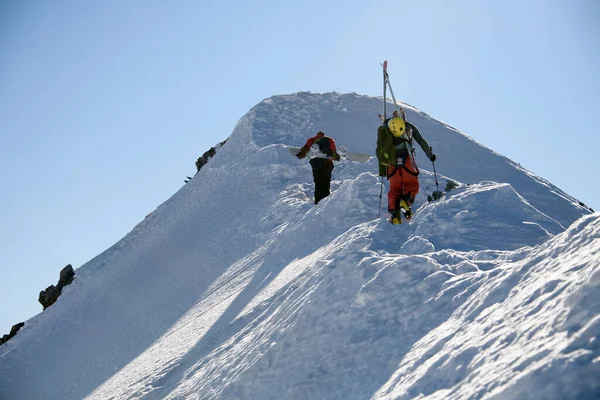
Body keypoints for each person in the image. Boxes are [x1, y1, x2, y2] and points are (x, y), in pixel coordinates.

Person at [376, 112, 436, 224]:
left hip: (391, 163)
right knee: (411, 184)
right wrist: (430, 155)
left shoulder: (385, 128)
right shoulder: (408, 126)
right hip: (407, 159)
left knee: (395, 189)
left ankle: (395, 216)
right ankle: (406, 201)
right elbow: (421, 141)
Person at [296, 131, 341, 204]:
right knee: (326, 182)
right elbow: (333, 149)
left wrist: (300, 154)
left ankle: (318, 201)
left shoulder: (311, 140)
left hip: (316, 163)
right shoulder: (329, 139)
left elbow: (305, 149)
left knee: (318, 182)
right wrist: (335, 155)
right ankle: (326, 201)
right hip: (327, 163)